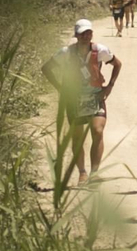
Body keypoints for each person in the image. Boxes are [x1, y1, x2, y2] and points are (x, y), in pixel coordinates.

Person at [40, 18, 121, 186]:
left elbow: (117, 64)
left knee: (97, 131)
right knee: (77, 137)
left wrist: (110, 86)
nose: (86, 36)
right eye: (83, 33)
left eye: (89, 32)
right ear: (76, 35)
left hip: (95, 97)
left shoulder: (100, 50)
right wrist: (61, 88)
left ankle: (94, 173)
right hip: (74, 99)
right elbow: (46, 68)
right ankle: (82, 173)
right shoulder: (66, 53)